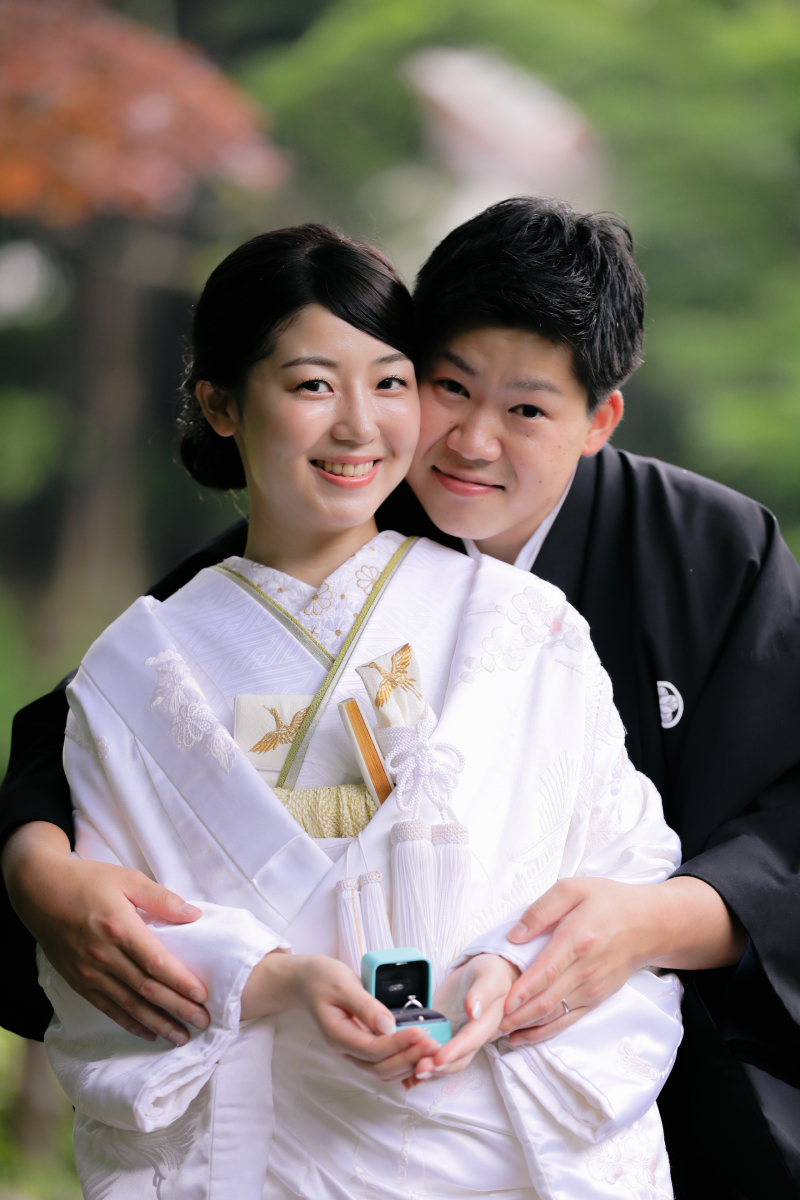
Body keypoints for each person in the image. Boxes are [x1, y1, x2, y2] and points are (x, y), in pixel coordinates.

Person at [3, 197, 799, 1196]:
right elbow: (105, 722)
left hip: (636, 1064)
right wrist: (39, 861)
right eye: (443, 386)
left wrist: (657, 920)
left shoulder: (708, 550)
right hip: (350, 1108)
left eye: (526, 409)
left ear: (598, 418)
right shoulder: (322, 548)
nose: (465, 441)